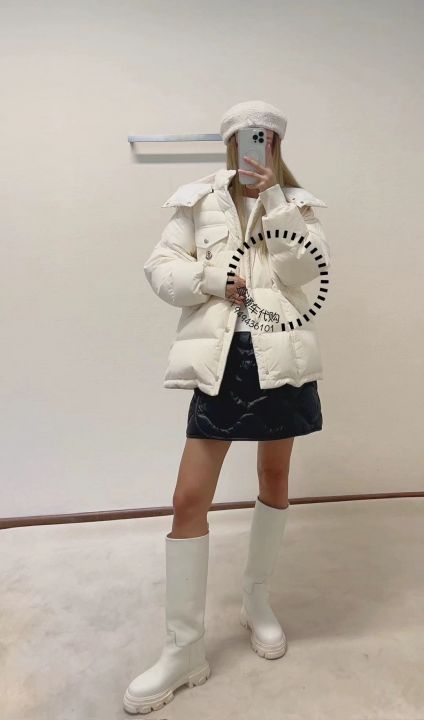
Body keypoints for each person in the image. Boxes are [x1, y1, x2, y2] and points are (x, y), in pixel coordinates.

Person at [123, 100, 331, 714]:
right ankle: (183, 648)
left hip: (279, 354)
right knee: (189, 497)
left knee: (275, 477)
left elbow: (306, 272)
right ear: (230, 142)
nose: (253, 146)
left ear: (277, 145)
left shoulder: (296, 204)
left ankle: (256, 599)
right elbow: (161, 268)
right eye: (244, 137)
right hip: (219, 358)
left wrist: (275, 201)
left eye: (264, 138)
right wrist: (213, 281)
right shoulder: (197, 200)